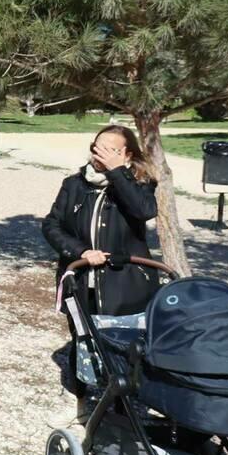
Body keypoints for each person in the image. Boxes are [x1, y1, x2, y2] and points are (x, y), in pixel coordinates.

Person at [41, 124, 158, 415]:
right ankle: (81, 403)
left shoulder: (140, 182)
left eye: (111, 150)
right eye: (97, 147)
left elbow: (144, 210)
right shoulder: (74, 183)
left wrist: (119, 172)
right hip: (81, 278)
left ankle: (122, 409)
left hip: (125, 283)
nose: (101, 155)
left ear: (126, 153)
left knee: (123, 345)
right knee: (81, 338)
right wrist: (80, 252)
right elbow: (51, 224)